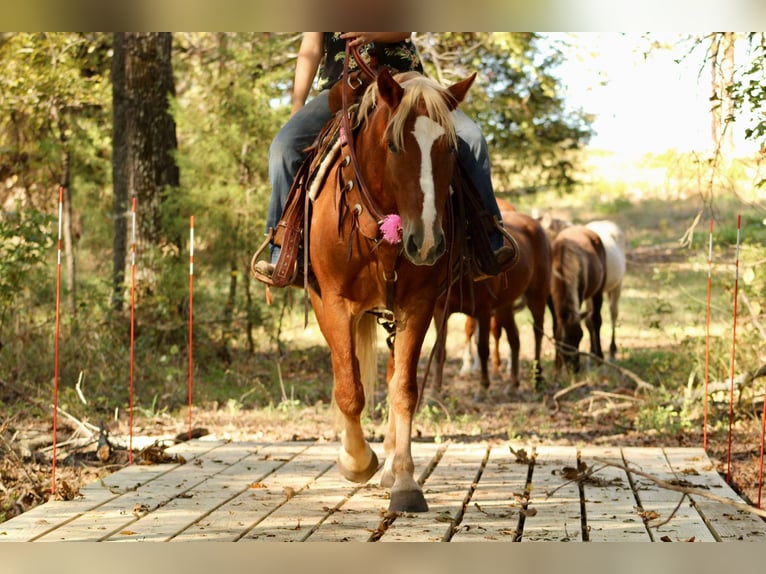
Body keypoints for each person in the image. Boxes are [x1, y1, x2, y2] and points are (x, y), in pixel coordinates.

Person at [255, 32, 515, 282]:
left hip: (407, 84)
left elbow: (404, 29)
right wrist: (297, 104)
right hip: (343, 86)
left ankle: (488, 243)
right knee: (283, 148)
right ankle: (284, 249)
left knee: (472, 137)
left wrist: (372, 33)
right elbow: (310, 48)